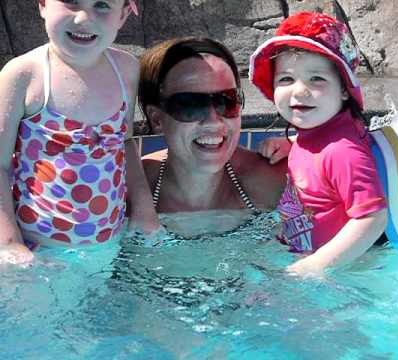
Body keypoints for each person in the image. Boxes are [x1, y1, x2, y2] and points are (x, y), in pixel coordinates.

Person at [0, 0, 161, 265]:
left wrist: (144, 210)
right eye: (71, 2)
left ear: (122, 15)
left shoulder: (126, 70)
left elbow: (125, 142)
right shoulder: (25, 75)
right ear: (42, 5)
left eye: (101, 5)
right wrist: (8, 243)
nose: (83, 18)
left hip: (109, 245)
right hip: (41, 252)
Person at [249, 12, 388, 277]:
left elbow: (372, 218)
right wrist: (291, 144)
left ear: (345, 89)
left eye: (317, 79)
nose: (299, 91)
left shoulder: (342, 151)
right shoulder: (318, 135)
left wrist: (315, 266)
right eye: (286, 79)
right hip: (307, 252)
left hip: (344, 272)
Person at [137, 37, 287, 236]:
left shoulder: (277, 181)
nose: (213, 121)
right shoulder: (130, 192)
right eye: (190, 105)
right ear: (157, 119)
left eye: (226, 101)